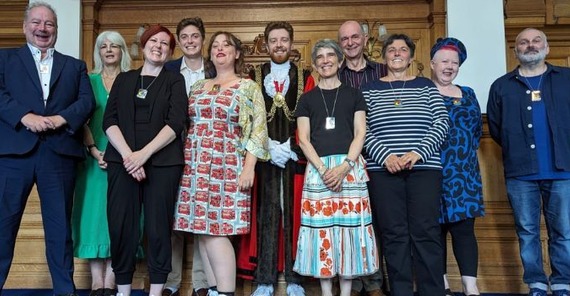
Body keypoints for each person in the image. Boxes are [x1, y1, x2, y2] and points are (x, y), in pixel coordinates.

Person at [0, 2, 95, 295]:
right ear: (25, 27)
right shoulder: (4, 59)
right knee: (3, 227)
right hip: (14, 154)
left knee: (60, 230)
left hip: (59, 154)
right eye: (37, 23)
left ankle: (64, 291)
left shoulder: (75, 66)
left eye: (49, 24)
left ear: (56, 29)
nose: (43, 28)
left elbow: (86, 102)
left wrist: (60, 119)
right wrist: (24, 117)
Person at [173, 31, 269, 296]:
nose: (220, 49)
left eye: (226, 45)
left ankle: (226, 293)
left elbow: (258, 131)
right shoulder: (197, 87)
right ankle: (215, 291)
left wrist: (249, 167)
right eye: (215, 45)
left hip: (228, 165)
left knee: (217, 231)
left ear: (237, 53)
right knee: (202, 232)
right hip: (194, 166)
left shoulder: (248, 86)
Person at [102, 24, 188, 296]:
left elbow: (176, 123)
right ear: (143, 45)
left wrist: (143, 155)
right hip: (122, 162)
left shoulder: (175, 80)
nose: (159, 46)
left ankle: (155, 291)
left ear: (170, 51)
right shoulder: (125, 79)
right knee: (121, 226)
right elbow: (109, 120)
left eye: (165, 43)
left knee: (158, 228)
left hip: (162, 164)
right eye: (154, 40)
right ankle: (123, 290)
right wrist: (130, 157)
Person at [361, 33, 449, 296]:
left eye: (403, 50)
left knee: (426, 232)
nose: (397, 53)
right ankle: (400, 291)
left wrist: (417, 153)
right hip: (383, 170)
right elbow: (361, 130)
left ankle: (431, 291)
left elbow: (441, 123)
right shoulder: (370, 89)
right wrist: (385, 156)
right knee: (393, 234)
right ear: (384, 56)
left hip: (424, 169)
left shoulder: (425, 85)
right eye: (392, 50)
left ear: (411, 57)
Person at [487, 27, 570, 296]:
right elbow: (497, 130)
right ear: (516, 50)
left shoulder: (566, 79)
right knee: (527, 232)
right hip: (521, 174)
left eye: (536, 41)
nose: (530, 46)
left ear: (547, 48)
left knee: (564, 232)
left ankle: (562, 283)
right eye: (523, 42)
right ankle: (535, 284)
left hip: (563, 171)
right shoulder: (501, 86)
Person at [293, 39, 379, 296]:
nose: (326, 60)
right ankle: (327, 292)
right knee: (323, 233)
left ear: (340, 61)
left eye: (331, 55)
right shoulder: (306, 99)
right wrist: (323, 169)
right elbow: (304, 139)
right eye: (320, 57)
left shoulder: (354, 94)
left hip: (349, 168)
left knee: (349, 232)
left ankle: (345, 292)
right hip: (318, 171)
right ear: (314, 64)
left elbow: (360, 132)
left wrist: (344, 167)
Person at [241, 21, 314, 296]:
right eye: (274, 40)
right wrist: (266, 148)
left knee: (294, 215)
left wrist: (291, 147)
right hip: (262, 159)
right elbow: (246, 119)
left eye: (284, 40)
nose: (279, 45)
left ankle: (296, 279)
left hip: (295, 158)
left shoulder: (306, 76)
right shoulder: (253, 76)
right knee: (266, 214)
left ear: (292, 43)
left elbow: (312, 118)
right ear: (266, 44)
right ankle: (264, 280)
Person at [72, 30, 132, 296]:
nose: (108, 50)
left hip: (126, 160)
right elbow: (81, 120)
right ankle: (97, 282)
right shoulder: (88, 80)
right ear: (98, 51)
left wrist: (123, 154)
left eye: (114, 46)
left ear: (122, 51)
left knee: (117, 218)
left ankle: (113, 280)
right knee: (93, 217)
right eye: (103, 46)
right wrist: (95, 150)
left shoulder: (133, 80)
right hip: (93, 159)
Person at [163, 17, 215, 296]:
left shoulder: (214, 67)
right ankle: (170, 281)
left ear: (202, 39)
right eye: (185, 37)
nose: (190, 41)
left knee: (203, 214)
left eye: (195, 36)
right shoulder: (168, 69)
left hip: (208, 151)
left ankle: (201, 282)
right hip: (172, 147)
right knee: (174, 214)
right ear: (179, 41)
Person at [430, 37, 484, 296]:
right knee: (435, 231)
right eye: (444, 61)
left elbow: (476, 133)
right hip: (432, 171)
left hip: (465, 173)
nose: (449, 66)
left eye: (454, 62)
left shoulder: (469, 93)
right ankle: (442, 285)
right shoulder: (423, 91)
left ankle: (470, 286)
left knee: (464, 231)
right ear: (432, 64)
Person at [337, 20, 387, 296]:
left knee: (377, 223)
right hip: (347, 161)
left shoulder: (382, 71)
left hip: (381, 160)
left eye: (355, 37)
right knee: (350, 223)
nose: (350, 43)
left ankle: (376, 282)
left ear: (365, 39)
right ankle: (354, 283)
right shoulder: (334, 73)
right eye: (344, 39)